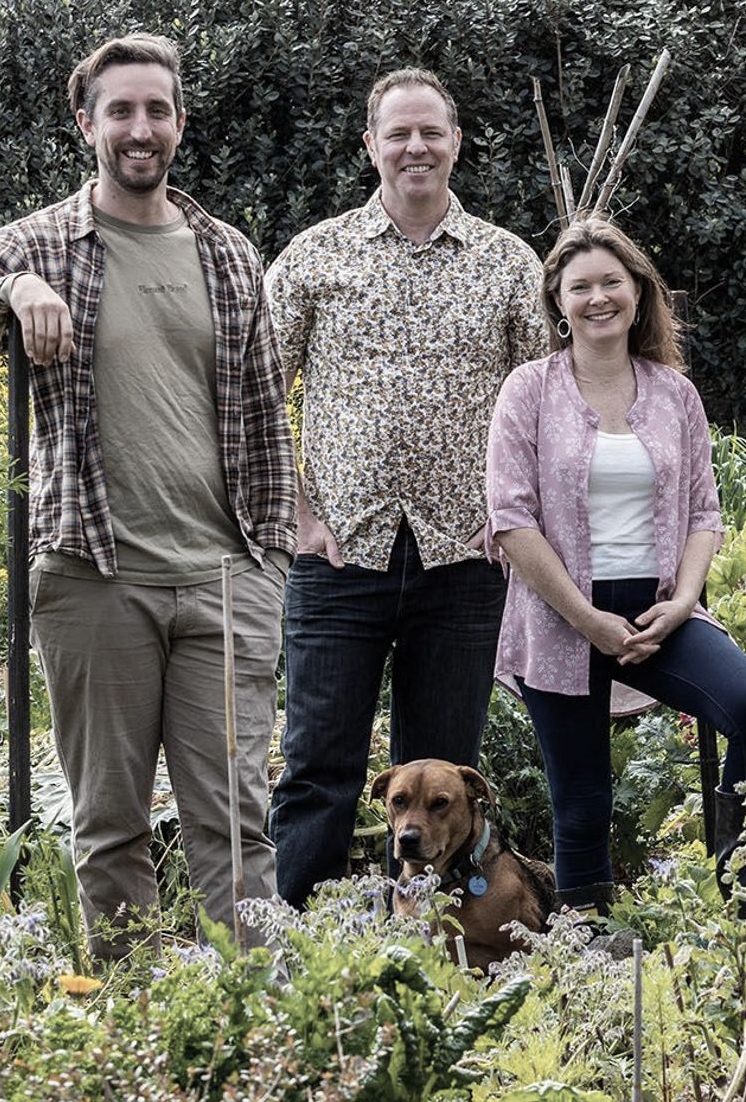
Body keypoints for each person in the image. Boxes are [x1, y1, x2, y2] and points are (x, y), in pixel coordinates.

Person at [0, 32, 296, 959]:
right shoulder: (38, 244)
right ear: (87, 124)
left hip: (226, 581)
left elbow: (266, 417)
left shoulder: (227, 254)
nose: (140, 129)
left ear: (178, 122)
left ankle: (258, 1033)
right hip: (96, 578)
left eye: (156, 111)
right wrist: (14, 290)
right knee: (110, 827)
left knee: (236, 830)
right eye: (121, 111)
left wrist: (269, 562)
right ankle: (135, 1037)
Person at [264, 68, 550, 907]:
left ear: (456, 143)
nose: (416, 147)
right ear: (371, 146)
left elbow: (540, 406)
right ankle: (294, 950)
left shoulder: (506, 263)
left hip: (463, 556)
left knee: (443, 773)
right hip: (339, 556)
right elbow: (250, 397)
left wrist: (516, 524)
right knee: (321, 762)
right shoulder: (314, 257)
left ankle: (432, 948)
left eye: (432, 132)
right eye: (398, 133)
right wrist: (300, 515)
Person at [486, 216, 746, 913]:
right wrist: (588, 619)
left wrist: (683, 601)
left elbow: (704, 512)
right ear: (557, 301)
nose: (598, 298)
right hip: (561, 620)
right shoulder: (527, 391)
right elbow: (510, 519)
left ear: (638, 293)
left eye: (611, 282)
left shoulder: (674, 393)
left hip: (659, 610)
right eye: (579, 285)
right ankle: (593, 960)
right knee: (584, 803)